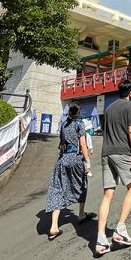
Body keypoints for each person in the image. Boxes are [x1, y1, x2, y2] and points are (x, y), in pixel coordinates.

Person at [95, 79, 131, 256]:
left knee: (108, 194)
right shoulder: (130, 107)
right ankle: (120, 228)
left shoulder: (109, 108)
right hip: (122, 152)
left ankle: (100, 239)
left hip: (106, 152)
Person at [45, 102, 93, 240]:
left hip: (62, 159)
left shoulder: (64, 125)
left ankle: (54, 226)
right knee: (82, 184)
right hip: (75, 159)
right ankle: (81, 214)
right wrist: (87, 162)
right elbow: (83, 144)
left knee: (58, 189)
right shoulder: (80, 124)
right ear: (78, 113)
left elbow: (60, 145)